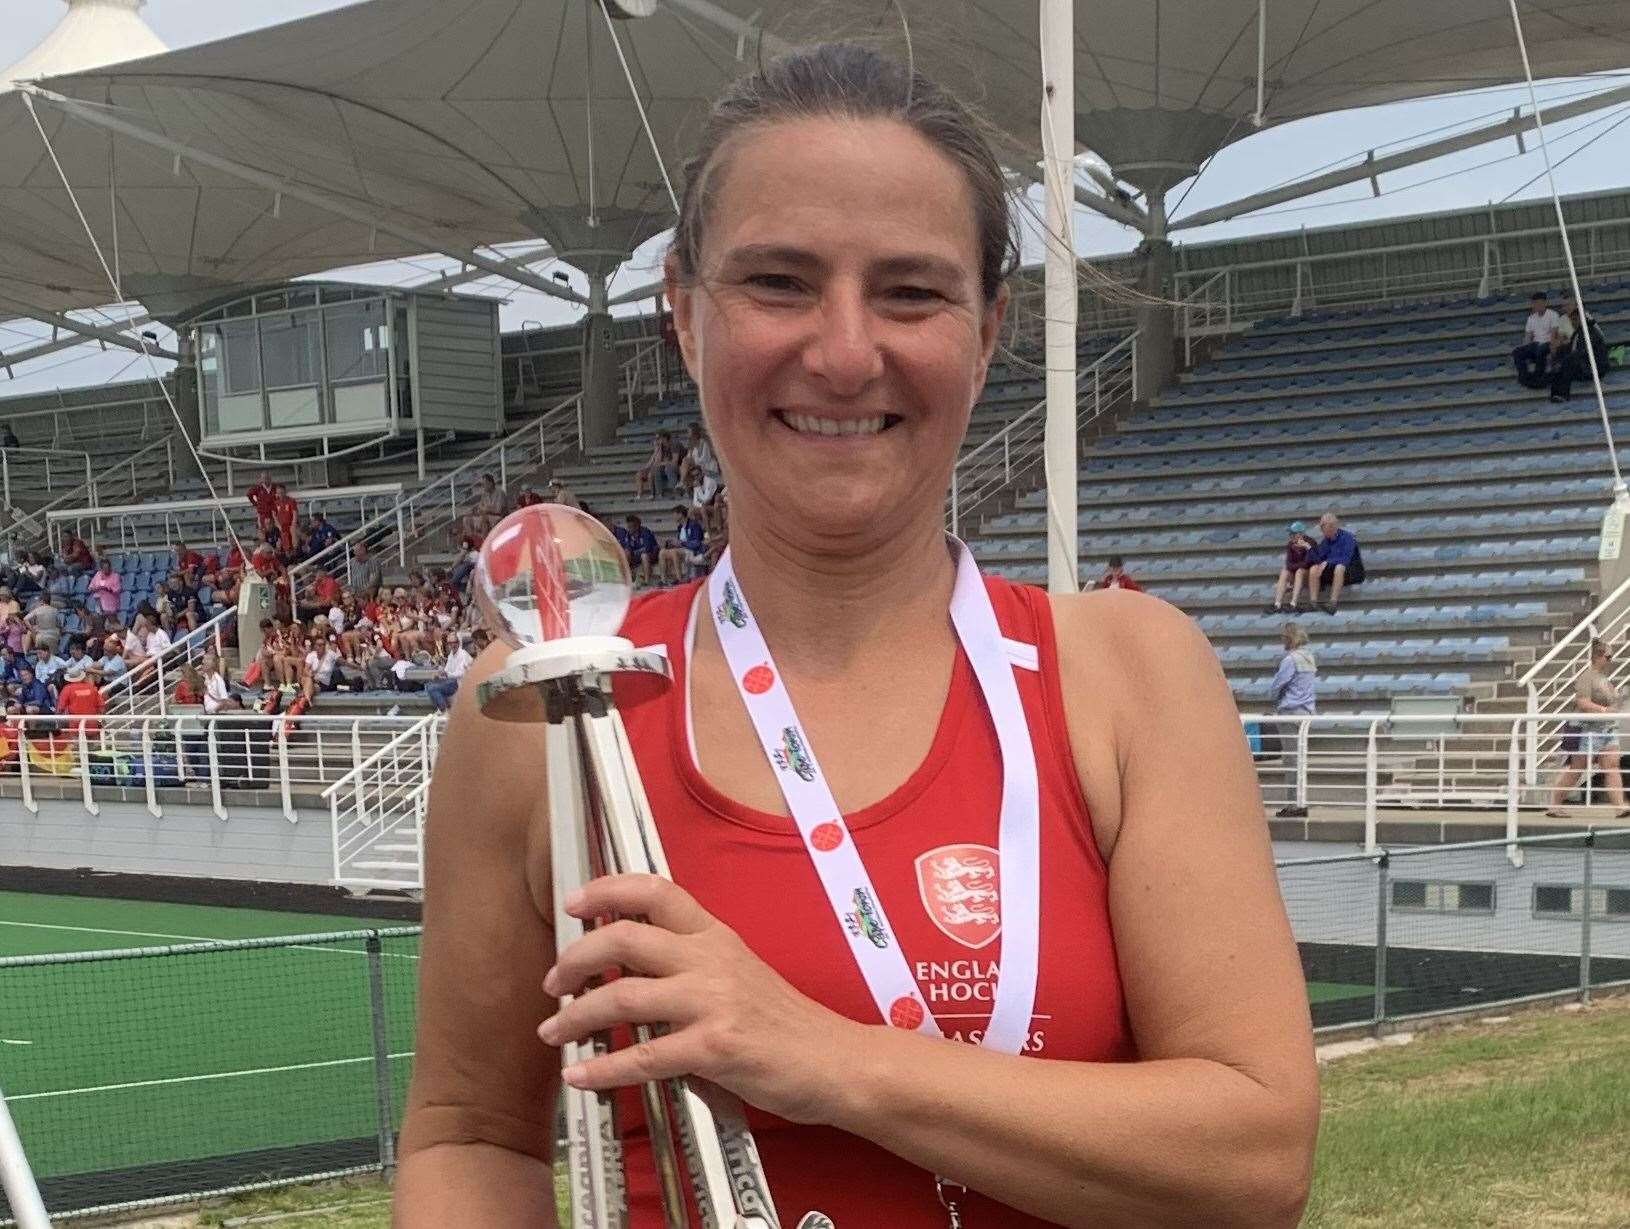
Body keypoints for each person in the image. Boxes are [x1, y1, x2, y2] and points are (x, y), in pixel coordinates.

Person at [396, 45, 1316, 1229]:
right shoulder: (545, 709)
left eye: (911, 291)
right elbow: (473, 1137)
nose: (842, 351)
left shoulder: (1129, 675)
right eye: (777, 282)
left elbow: (1253, 1163)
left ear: (989, 330)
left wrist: (823, 1056)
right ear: (683, 312)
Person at [1546, 638, 1630, 818]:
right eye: (1609, 656)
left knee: (1612, 766)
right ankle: (1554, 805)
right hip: (1588, 730)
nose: (1611, 660)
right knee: (1577, 768)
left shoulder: (1604, 680)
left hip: (1607, 729)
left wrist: (1618, 702)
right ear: (1599, 656)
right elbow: (1582, 702)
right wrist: (1604, 710)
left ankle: (1620, 807)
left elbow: (1612, 703)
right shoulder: (1587, 677)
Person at [1268, 623, 1317, 819]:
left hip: (1290, 712)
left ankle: (1293, 803)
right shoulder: (1310, 658)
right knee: (1300, 760)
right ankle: (1301, 800)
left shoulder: (1291, 660)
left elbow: (1277, 685)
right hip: (1306, 712)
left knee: (1290, 760)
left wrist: (1275, 700)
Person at [1548, 296, 1611, 403]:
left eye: (1575, 320)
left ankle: (1563, 394)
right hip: (1583, 364)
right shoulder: (1577, 333)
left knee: (1569, 361)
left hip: (1594, 368)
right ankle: (1556, 394)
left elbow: (1583, 351)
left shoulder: (1591, 332)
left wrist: (1565, 361)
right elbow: (1569, 348)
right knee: (1560, 359)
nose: (1573, 322)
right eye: (1572, 320)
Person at [1305, 512, 1363, 615]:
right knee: (1314, 568)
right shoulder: (1326, 541)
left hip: (1351, 572)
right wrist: (1309, 549)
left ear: (1332, 527)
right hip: (1333, 572)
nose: (1323, 532)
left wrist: (1327, 562)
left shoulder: (1348, 538)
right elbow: (1318, 558)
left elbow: (1345, 559)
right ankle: (1313, 602)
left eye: (1324, 528)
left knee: (1339, 567)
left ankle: (1332, 603)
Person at [1513, 291, 1561, 389]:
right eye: (1535, 303)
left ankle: (1538, 377)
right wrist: (1525, 348)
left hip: (1547, 343)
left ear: (1545, 303)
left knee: (1542, 349)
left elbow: (1554, 334)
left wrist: (1552, 350)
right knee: (1517, 352)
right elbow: (1527, 337)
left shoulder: (1553, 315)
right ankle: (1524, 377)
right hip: (1535, 344)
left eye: (1539, 303)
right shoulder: (1531, 318)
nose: (1537, 305)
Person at [1268, 522, 1316, 615]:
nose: (1291, 536)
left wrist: (1307, 548)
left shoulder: (1310, 543)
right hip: (1297, 573)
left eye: (1293, 534)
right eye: (1290, 534)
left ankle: (1293, 603)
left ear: (1301, 534)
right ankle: (1277, 604)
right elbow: (1288, 564)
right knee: (1285, 571)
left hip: (1309, 575)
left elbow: (1310, 562)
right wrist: (1299, 565)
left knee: (1299, 571)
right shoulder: (1290, 545)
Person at [425, 633, 473, 712]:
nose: (452, 645)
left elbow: (461, 673)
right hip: (451, 681)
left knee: (433, 688)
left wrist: (446, 674)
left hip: (459, 682)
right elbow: (447, 670)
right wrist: (440, 675)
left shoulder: (463, 654)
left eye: (454, 642)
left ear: (458, 643)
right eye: (450, 643)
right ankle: (442, 707)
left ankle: (443, 709)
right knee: (428, 684)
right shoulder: (451, 654)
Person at [635, 429, 683, 499]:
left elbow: (674, 462)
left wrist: (663, 462)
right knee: (657, 469)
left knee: (667, 468)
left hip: (679, 466)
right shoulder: (661, 447)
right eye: (656, 438)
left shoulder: (674, 444)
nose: (656, 440)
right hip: (667, 466)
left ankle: (676, 490)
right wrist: (657, 448)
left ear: (664, 438)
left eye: (658, 438)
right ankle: (659, 493)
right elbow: (656, 461)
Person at [619, 514, 660, 588]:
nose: (628, 529)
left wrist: (634, 552)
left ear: (637, 526)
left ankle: (647, 581)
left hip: (652, 555)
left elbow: (647, 548)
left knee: (644, 555)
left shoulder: (646, 532)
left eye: (630, 527)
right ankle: (626, 578)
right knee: (626, 553)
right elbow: (628, 547)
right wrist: (629, 552)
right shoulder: (628, 534)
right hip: (637, 555)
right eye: (628, 527)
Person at [246, 471, 278, 538]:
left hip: (274, 514)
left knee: (275, 531)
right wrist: (256, 504)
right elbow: (249, 494)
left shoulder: (275, 487)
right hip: (262, 514)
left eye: (267, 478)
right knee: (263, 533)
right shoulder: (258, 488)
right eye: (264, 478)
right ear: (261, 479)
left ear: (270, 478)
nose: (266, 480)